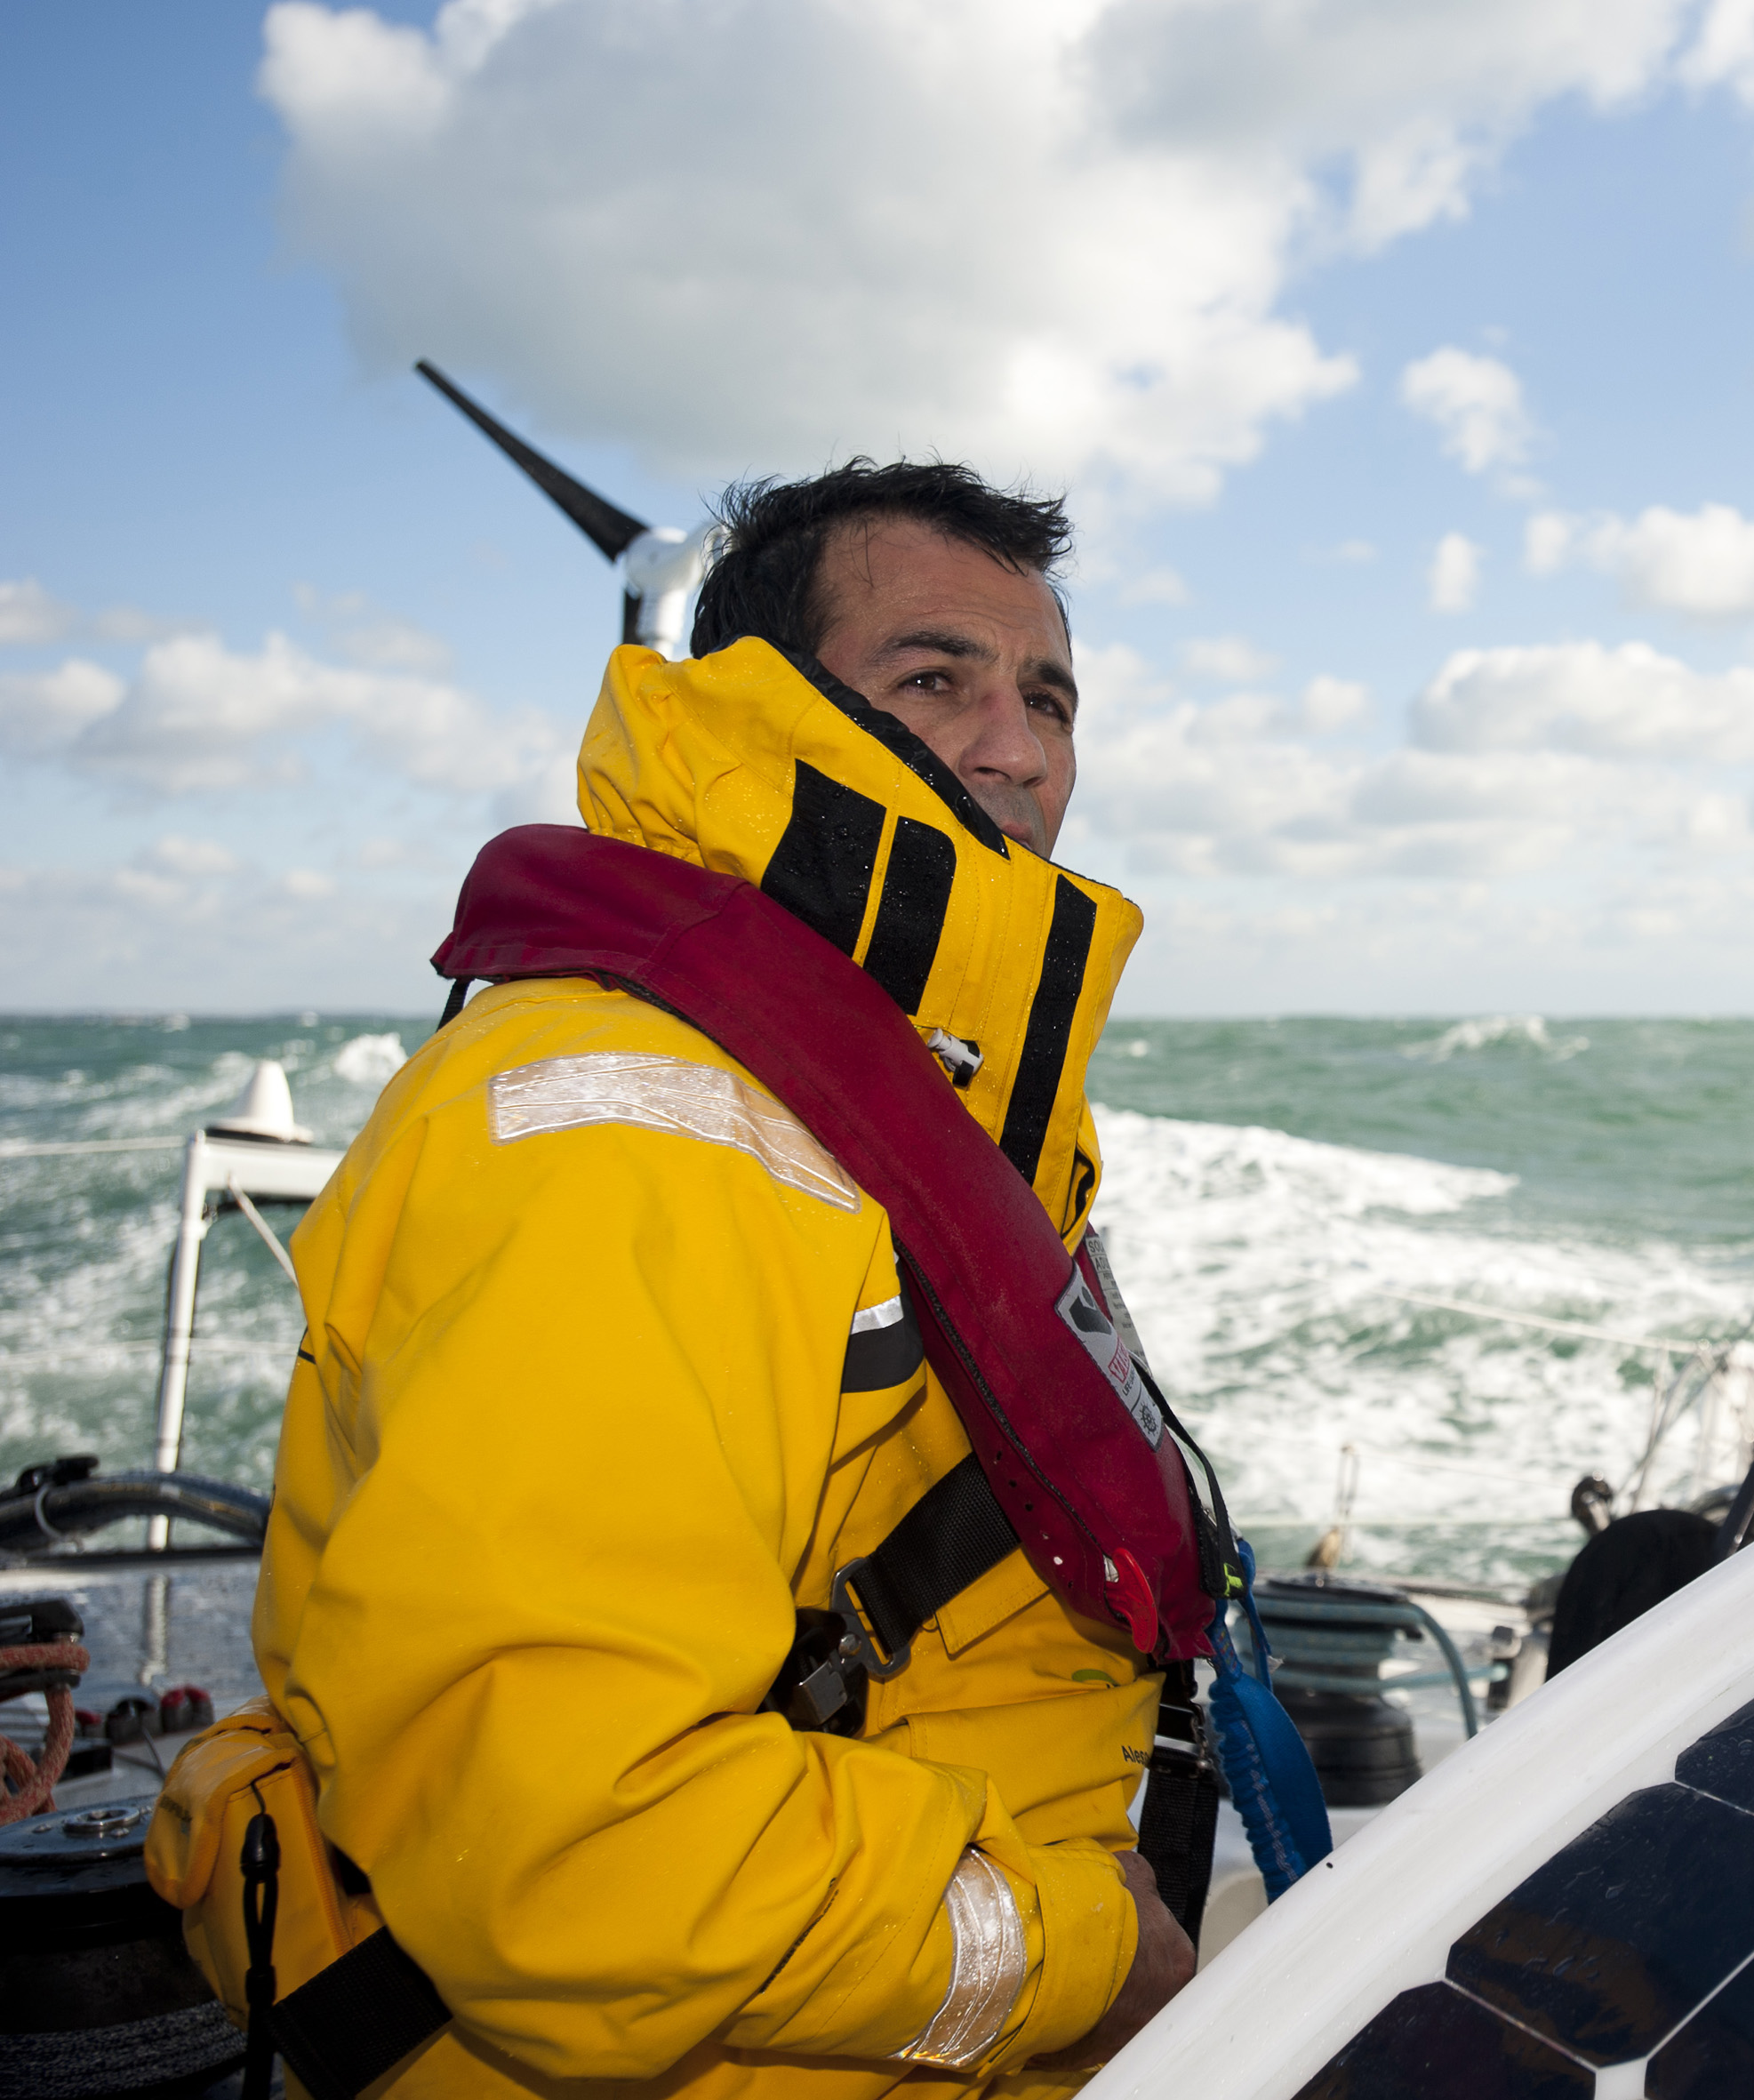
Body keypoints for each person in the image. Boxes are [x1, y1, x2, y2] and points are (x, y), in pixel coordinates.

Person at [240, 462, 1195, 2095]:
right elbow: (578, 1862)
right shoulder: (630, 1129)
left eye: (1050, 695)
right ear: (761, 704)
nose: (1019, 747)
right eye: (934, 677)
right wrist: (1086, 1948)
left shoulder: (926, 1085)